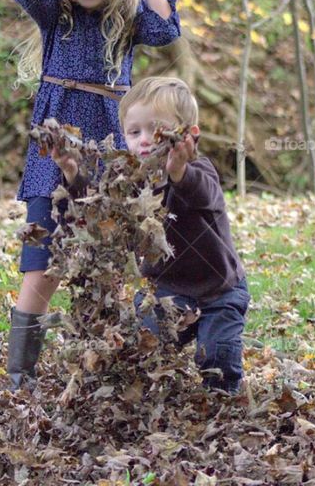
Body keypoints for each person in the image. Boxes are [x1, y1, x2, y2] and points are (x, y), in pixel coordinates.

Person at [7, 0, 181, 390]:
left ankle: (104, 358)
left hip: (109, 152)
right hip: (55, 153)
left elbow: (165, 28)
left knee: (107, 257)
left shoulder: (124, 22)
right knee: (43, 261)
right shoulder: (56, 15)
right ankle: (20, 375)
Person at [53, 77, 250, 393]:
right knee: (143, 349)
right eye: (134, 132)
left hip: (218, 290)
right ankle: (155, 389)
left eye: (156, 131)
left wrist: (178, 173)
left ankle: (223, 395)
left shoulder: (200, 170)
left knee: (214, 355)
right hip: (165, 290)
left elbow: (205, 196)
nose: (144, 140)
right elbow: (99, 213)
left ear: (188, 135)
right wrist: (74, 174)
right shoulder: (128, 180)